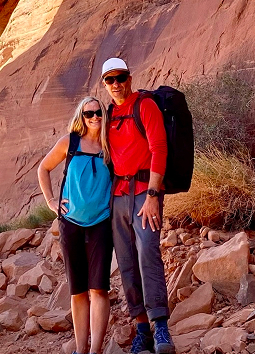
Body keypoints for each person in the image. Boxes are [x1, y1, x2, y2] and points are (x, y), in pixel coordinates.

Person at [101, 57, 175, 354]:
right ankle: (142, 328)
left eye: (120, 78)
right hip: (118, 196)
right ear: (105, 84)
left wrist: (155, 196)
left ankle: (161, 328)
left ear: (129, 78)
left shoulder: (144, 105)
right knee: (127, 261)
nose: (116, 84)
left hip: (146, 192)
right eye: (110, 80)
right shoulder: (107, 114)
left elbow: (159, 148)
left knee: (148, 253)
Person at [38, 96, 114, 354]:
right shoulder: (69, 143)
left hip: (101, 223)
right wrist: (51, 201)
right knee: (79, 290)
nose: (94, 117)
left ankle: (95, 351)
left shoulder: (109, 145)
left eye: (98, 113)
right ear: (81, 117)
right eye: (88, 113)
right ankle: (81, 350)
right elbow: (43, 168)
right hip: (70, 224)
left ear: (104, 115)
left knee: (99, 288)